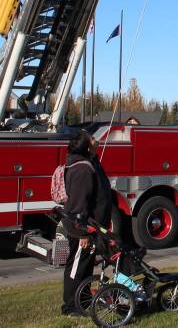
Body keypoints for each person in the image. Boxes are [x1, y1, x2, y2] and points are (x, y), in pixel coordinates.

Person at [60, 130, 115, 316]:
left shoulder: (89, 161)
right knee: (77, 267)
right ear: (86, 145)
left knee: (85, 266)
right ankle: (70, 306)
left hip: (90, 228)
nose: (96, 139)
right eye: (92, 138)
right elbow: (78, 204)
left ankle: (81, 302)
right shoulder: (82, 168)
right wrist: (82, 232)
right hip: (81, 229)